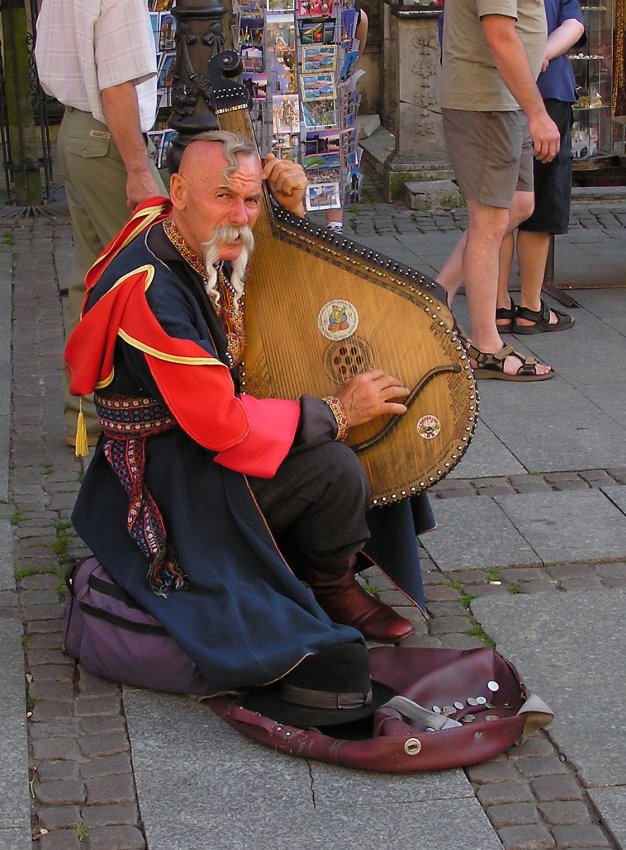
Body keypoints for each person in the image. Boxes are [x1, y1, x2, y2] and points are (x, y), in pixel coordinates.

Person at [64, 131, 434, 700]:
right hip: (169, 476)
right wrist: (335, 410)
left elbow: (270, 272)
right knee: (335, 462)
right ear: (181, 191)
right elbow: (222, 424)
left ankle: (314, 567)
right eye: (224, 198)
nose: (240, 217)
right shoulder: (151, 294)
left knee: (356, 414)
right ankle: (328, 585)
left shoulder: (173, 222)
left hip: (197, 436)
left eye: (252, 201)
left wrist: (287, 210)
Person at [35, 0, 166, 447]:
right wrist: (138, 168)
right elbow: (116, 82)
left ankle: (84, 415)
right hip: (106, 134)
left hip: (77, 132)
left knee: (91, 275)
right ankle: (154, 402)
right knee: (153, 271)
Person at [435, 0, 559, 381]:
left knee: (520, 204)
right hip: (487, 102)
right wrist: (539, 115)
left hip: (506, 99)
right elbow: (500, 33)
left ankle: (435, 293)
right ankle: (485, 347)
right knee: (488, 221)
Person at [496, 0, 584, 334]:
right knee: (542, 197)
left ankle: (500, 306)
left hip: (497, 91)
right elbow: (573, 22)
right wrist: (541, 54)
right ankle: (530, 308)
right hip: (546, 92)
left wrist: (535, 55)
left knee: (499, 200)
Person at [324, 5, 368, 235]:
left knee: (336, 151)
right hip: (332, 87)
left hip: (336, 91)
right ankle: (334, 225)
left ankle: (335, 225)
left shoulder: (353, 13)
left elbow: (360, 24)